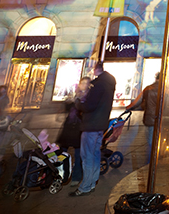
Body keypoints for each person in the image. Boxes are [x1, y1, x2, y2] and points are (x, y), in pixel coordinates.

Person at [70, 62, 116, 197]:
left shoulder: (98, 84)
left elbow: (90, 105)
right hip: (100, 125)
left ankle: (85, 186)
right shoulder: (109, 83)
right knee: (95, 154)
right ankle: (92, 181)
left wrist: (78, 103)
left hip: (91, 125)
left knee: (87, 156)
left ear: (96, 70)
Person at [58, 76, 90, 186]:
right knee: (61, 153)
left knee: (78, 155)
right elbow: (67, 110)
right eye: (83, 83)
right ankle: (61, 174)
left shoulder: (88, 98)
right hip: (68, 128)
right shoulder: (74, 96)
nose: (84, 85)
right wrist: (68, 103)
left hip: (78, 129)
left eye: (87, 83)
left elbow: (85, 111)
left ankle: (76, 176)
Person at [126, 73, 160, 163]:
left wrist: (128, 108)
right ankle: (155, 161)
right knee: (158, 141)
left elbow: (137, 102)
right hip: (161, 119)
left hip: (149, 119)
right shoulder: (165, 89)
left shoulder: (148, 88)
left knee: (150, 142)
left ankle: (149, 162)